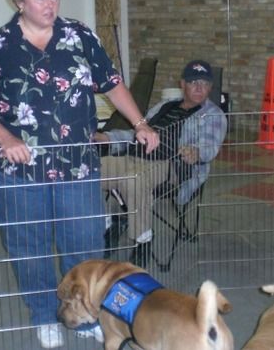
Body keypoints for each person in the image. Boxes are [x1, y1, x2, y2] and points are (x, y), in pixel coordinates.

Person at [0, 0, 158, 349]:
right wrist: (4, 137)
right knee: (28, 243)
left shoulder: (79, 36)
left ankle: (84, 314)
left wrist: (140, 123)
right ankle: (42, 313)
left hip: (76, 163)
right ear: (19, 2)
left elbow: (111, 83)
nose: (50, 4)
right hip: (16, 168)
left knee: (83, 240)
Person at [94, 59, 227, 268]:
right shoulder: (164, 106)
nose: (199, 88)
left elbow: (210, 146)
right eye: (193, 82)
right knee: (91, 172)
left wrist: (196, 152)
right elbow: (137, 133)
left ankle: (143, 240)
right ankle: (111, 223)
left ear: (210, 87)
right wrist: (107, 137)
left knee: (133, 181)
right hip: (134, 156)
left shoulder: (213, 115)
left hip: (172, 166)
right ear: (182, 84)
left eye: (205, 83)